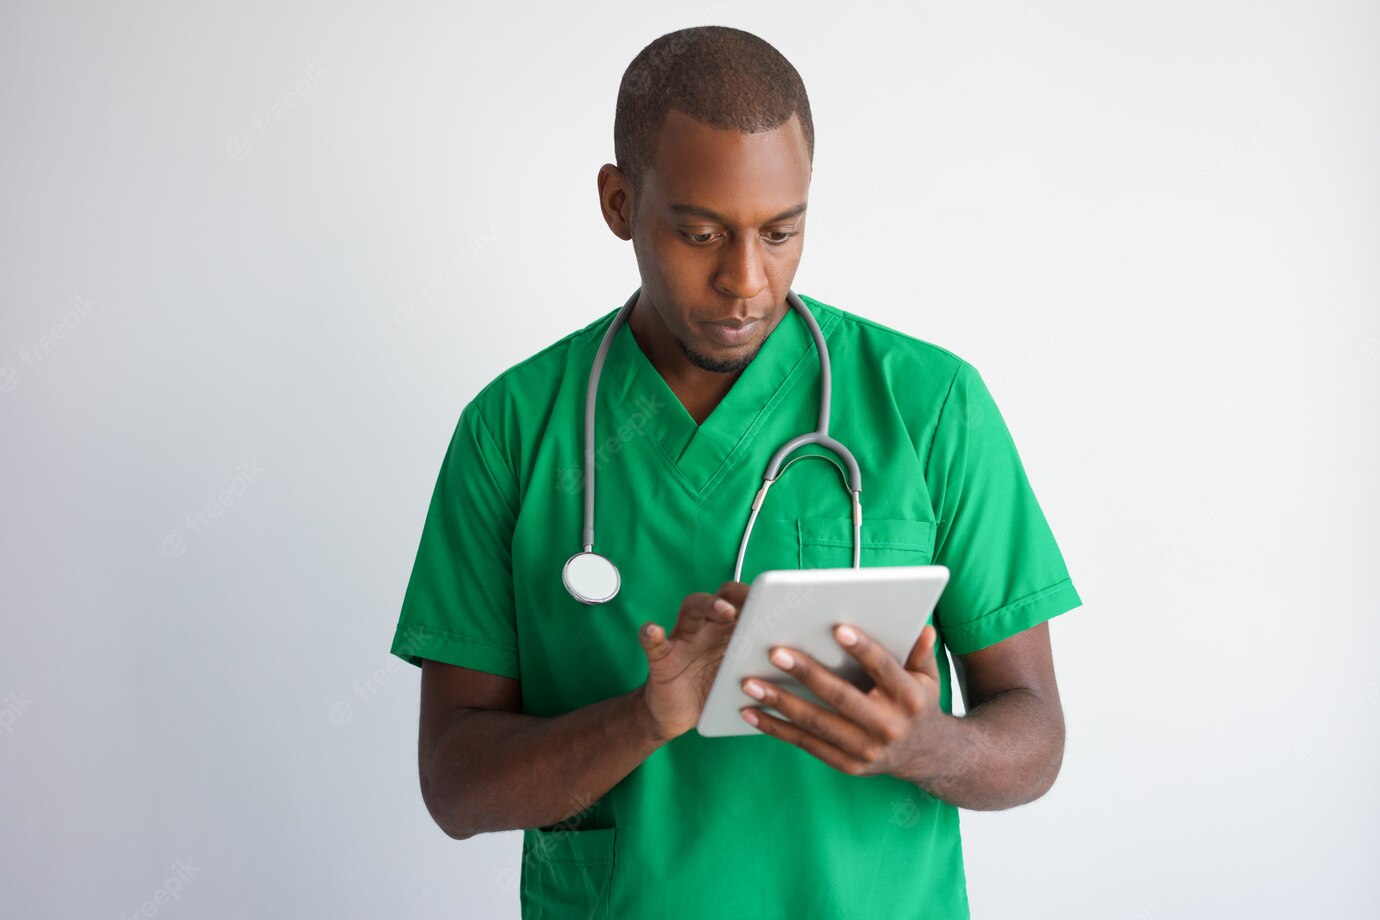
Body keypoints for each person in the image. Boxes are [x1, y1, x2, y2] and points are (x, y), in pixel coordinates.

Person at [390, 24, 1083, 920]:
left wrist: (924, 745)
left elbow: (1034, 735)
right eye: (702, 232)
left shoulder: (929, 404)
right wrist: (641, 719)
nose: (746, 280)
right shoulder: (513, 430)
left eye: (781, 231)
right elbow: (456, 785)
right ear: (616, 203)